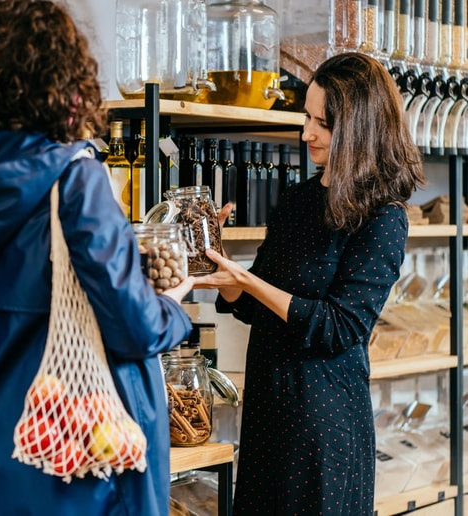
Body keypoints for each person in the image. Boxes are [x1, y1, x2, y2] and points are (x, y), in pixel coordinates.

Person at [0, 1, 199, 514]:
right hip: (68, 474)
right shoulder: (75, 182)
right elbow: (134, 327)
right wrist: (172, 306)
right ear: (63, 87)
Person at [196, 52, 426, 515]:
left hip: (323, 431)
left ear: (359, 128)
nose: (307, 134)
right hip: (267, 418)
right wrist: (219, 265)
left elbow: (339, 327)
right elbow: (254, 304)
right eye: (307, 117)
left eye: (323, 123)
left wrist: (249, 281)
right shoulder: (298, 199)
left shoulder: (383, 218)